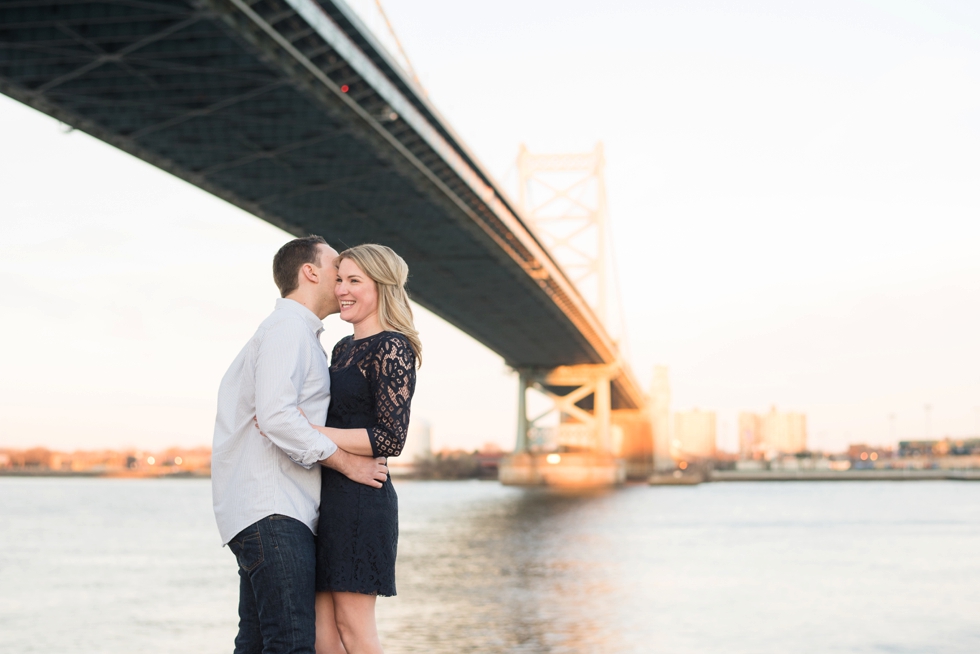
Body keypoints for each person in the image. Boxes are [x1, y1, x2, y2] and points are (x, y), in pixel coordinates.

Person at [212, 235, 389, 654]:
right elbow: (276, 416)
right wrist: (348, 463)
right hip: (274, 510)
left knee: (257, 644)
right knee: (291, 644)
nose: (343, 283)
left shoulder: (296, 334)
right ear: (310, 272)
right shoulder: (287, 329)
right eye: (337, 271)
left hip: (264, 510)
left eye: (353, 278)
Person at [303, 244, 421, 654]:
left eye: (355, 280)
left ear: (382, 288)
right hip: (326, 496)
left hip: (362, 499)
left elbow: (391, 438)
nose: (342, 290)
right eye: (339, 279)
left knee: (354, 630)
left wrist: (309, 430)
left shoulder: (393, 347)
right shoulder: (341, 349)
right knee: (322, 635)